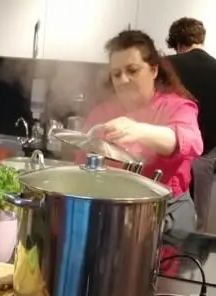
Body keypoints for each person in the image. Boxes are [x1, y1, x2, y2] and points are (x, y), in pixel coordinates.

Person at [83, 30, 203, 233]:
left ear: (154, 70)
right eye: (116, 74)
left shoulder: (177, 106)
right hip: (112, 212)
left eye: (133, 70)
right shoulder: (103, 111)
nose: (123, 80)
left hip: (167, 215)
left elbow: (192, 142)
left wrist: (138, 130)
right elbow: (82, 161)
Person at [166, 17, 216, 232]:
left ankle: (163, 262)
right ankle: (193, 263)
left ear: (177, 43)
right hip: (205, 157)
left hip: (172, 154)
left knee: (165, 218)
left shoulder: (166, 66)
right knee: (198, 220)